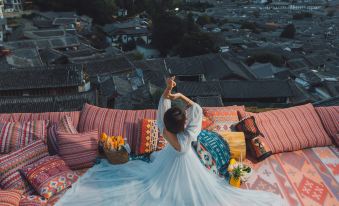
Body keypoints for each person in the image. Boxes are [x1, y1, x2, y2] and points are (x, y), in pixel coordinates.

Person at [56, 77, 285, 206]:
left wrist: (167, 91)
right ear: (185, 122)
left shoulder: (165, 131)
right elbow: (196, 108)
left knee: (152, 185)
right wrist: (180, 96)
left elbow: (161, 110)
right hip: (188, 166)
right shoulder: (189, 135)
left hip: (165, 163)